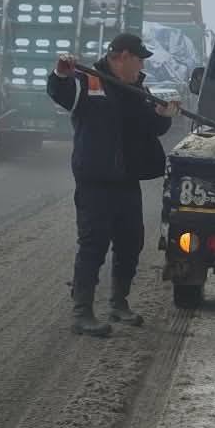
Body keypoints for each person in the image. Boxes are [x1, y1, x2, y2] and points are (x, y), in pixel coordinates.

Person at [47, 32, 177, 337]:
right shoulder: (86, 81)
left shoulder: (136, 88)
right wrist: (60, 74)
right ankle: (82, 313)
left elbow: (150, 127)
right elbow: (61, 92)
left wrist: (164, 116)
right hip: (95, 179)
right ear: (120, 56)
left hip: (126, 178)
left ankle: (119, 303)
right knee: (94, 245)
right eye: (138, 58)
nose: (142, 64)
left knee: (131, 243)